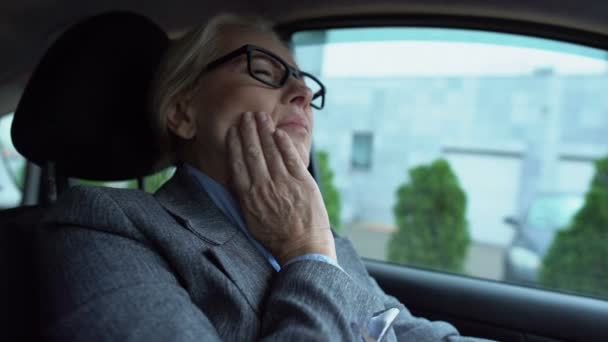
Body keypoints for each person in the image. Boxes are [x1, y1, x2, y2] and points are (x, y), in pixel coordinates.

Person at [36, 14, 491, 341]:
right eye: (264, 70)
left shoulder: (321, 229)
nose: (302, 92)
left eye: (303, 80)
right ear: (182, 112)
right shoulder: (101, 225)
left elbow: (407, 330)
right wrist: (306, 254)